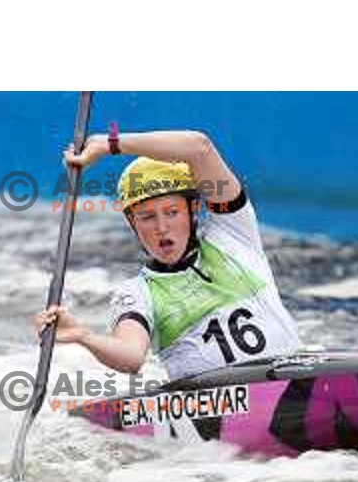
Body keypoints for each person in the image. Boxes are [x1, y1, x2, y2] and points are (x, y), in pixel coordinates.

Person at [34, 129, 301, 380]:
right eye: (147, 217)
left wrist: (110, 144)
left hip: (292, 374)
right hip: (214, 414)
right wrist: (82, 336)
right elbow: (131, 357)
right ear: (133, 224)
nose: (161, 228)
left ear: (192, 210)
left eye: (172, 213)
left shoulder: (232, 234)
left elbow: (199, 147)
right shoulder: (137, 293)